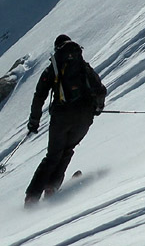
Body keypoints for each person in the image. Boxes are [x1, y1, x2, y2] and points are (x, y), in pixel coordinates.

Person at [25, 34, 107, 206]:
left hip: (62, 117)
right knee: (67, 150)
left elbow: (39, 96)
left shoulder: (53, 69)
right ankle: (51, 188)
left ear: (57, 49)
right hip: (84, 117)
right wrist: (98, 107)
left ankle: (32, 197)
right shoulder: (82, 66)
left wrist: (34, 121)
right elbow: (99, 88)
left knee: (53, 156)